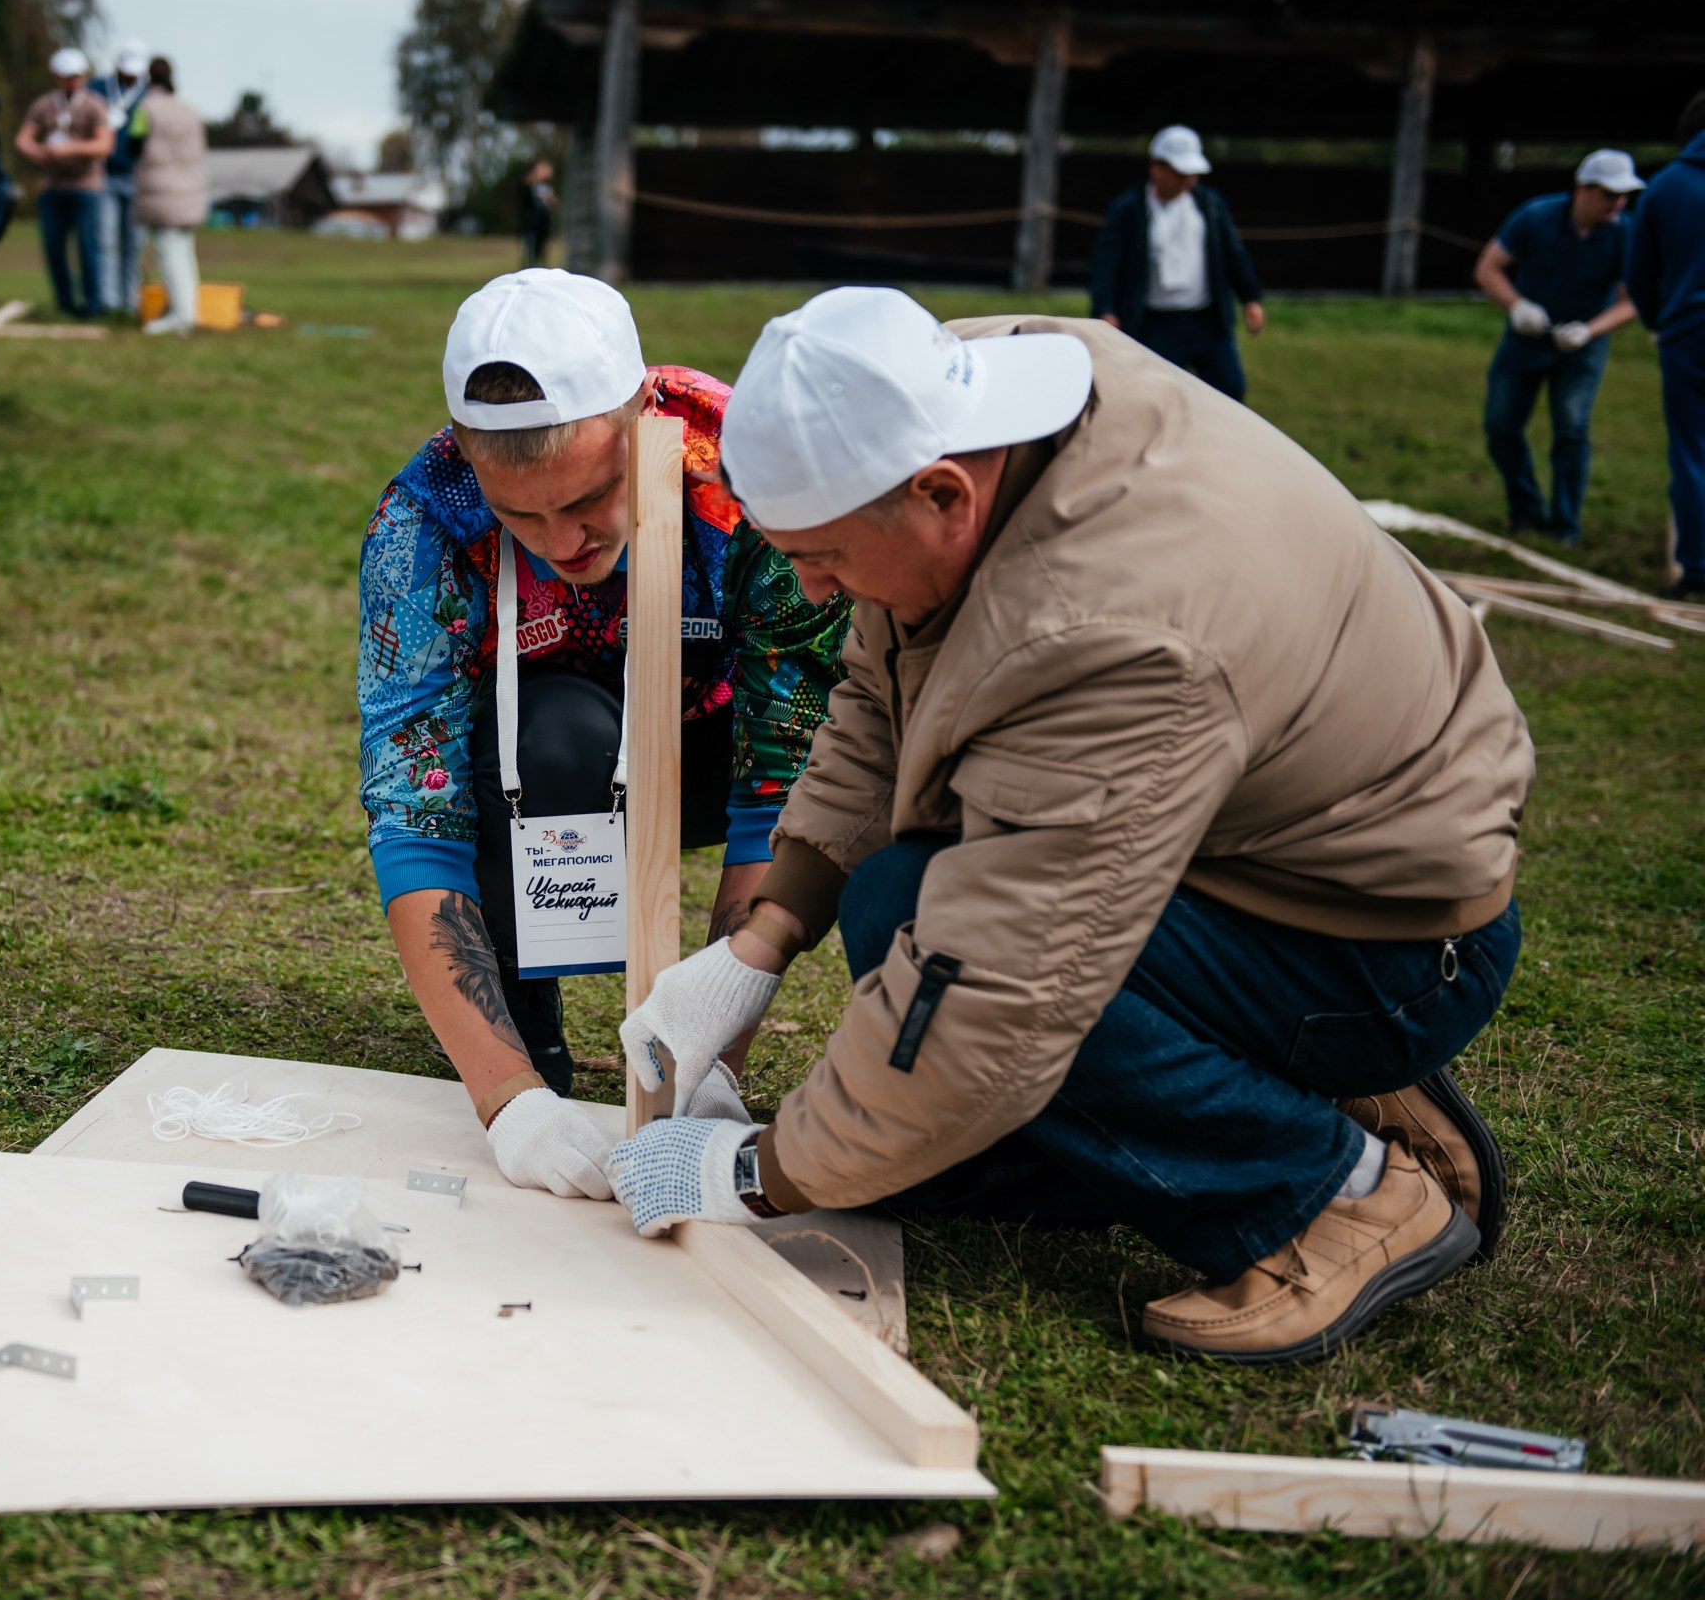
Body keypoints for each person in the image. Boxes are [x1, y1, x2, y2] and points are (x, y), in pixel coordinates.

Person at [610, 287, 1534, 1368]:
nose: (814, 586)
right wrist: (761, 942)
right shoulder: (979, 395)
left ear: (941, 494)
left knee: (948, 971)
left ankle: (1331, 1197)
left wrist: (757, 1175)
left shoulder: (1106, 629)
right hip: (1270, 847)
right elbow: (880, 682)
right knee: (890, 925)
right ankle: (1256, 1087)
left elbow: (1004, 994)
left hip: (1387, 937)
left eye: (826, 557)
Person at [358, 270, 851, 1200]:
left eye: (590, 497)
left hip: (717, 743)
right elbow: (413, 811)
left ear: (642, 415)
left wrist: (718, 1055)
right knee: (546, 731)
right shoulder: (421, 521)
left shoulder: (752, 484)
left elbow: (786, 775)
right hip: (539, 756)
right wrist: (507, 1100)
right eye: (521, 513)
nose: (564, 539)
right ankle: (526, 1024)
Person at [1472, 151, 1646, 542]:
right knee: (1501, 426)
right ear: (1582, 189)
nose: (1617, 203)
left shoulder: (1626, 233)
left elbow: (1631, 300)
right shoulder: (1536, 216)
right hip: (1527, 339)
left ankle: (1565, 524)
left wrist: (1590, 330)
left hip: (1582, 346)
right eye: (1608, 194)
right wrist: (1516, 305)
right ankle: (1526, 511)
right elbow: (1488, 268)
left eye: (1624, 195)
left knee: (1571, 430)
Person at [1088, 124, 1266, 402]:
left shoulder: (1209, 204)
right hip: (1157, 324)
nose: (1189, 181)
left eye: (1192, 174)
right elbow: (1107, 262)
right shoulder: (1129, 209)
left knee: (1229, 388)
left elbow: (1232, 251)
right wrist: (1106, 309)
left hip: (1207, 321)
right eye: (1180, 174)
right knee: (1158, 396)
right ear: (1157, 168)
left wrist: (1250, 297)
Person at [1629, 92, 1705, 600]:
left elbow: (1639, 272)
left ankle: (1698, 569)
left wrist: (1661, 321)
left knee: (1693, 451)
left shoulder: (1666, 186)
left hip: (1689, 332)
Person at [15, 49, 116, 320]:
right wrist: (35, 151)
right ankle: (65, 302)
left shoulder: (94, 105)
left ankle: (93, 304)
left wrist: (70, 149)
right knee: (53, 247)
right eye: (65, 77)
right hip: (53, 187)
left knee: (88, 246)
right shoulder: (44, 105)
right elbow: (23, 138)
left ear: (83, 76)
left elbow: (104, 144)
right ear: (56, 77)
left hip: (87, 188)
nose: (71, 82)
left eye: (75, 77)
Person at [133, 57, 207, 336]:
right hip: (192, 190)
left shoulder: (146, 110)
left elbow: (133, 145)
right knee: (185, 253)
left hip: (160, 191)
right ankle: (188, 311)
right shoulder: (191, 110)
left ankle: (181, 316)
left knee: (168, 253)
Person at [91, 43, 151, 316]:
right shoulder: (97, 89)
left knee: (133, 245)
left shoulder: (150, 95)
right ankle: (109, 301)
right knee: (106, 241)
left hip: (139, 177)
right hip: (104, 176)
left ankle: (131, 302)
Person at [519, 159, 557, 269]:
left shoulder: (546, 186)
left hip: (543, 222)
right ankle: (529, 268)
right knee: (530, 249)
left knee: (541, 250)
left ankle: (540, 269)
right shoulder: (530, 182)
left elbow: (554, 202)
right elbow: (526, 182)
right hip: (531, 222)